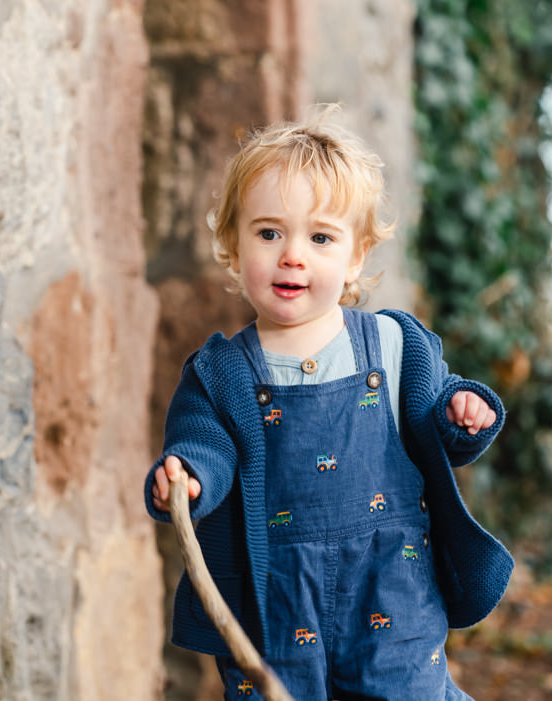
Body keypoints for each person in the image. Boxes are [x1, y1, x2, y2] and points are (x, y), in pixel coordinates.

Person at [145, 111, 513, 700]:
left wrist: (462, 412)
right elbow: (204, 443)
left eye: (320, 238)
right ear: (233, 248)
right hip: (274, 599)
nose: (293, 255)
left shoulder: (395, 346)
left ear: (356, 257)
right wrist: (188, 477)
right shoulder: (220, 373)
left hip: (392, 586)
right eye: (268, 233)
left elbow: (437, 416)